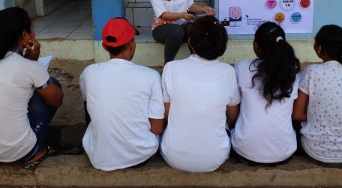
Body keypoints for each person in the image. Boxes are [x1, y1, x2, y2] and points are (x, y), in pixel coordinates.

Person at [0, 7, 64, 169]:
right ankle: (33, 153)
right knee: (52, 85)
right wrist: (34, 64)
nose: (34, 31)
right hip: (19, 151)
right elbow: (56, 100)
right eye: (32, 28)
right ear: (25, 35)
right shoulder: (30, 67)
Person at [80, 17, 165, 171]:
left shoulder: (89, 72)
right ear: (132, 45)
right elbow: (157, 128)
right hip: (141, 156)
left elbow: (88, 106)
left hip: (99, 157)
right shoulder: (151, 76)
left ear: (105, 47)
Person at [160, 15, 240, 172]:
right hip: (216, 157)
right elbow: (232, 117)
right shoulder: (228, 72)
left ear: (189, 42)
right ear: (222, 45)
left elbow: (168, 116)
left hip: (174, 157)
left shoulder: (170, 69)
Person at [292, 24, 342, 167]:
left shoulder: (312, 72)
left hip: (317, 151)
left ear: (319, 48)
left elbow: (297, 115)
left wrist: (320, 116)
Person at [231, 22, 301, 166]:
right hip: (283, 152)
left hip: (245, 151)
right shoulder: (294, 74)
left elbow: (234, 109)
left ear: (256, 46)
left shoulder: (242, 67)